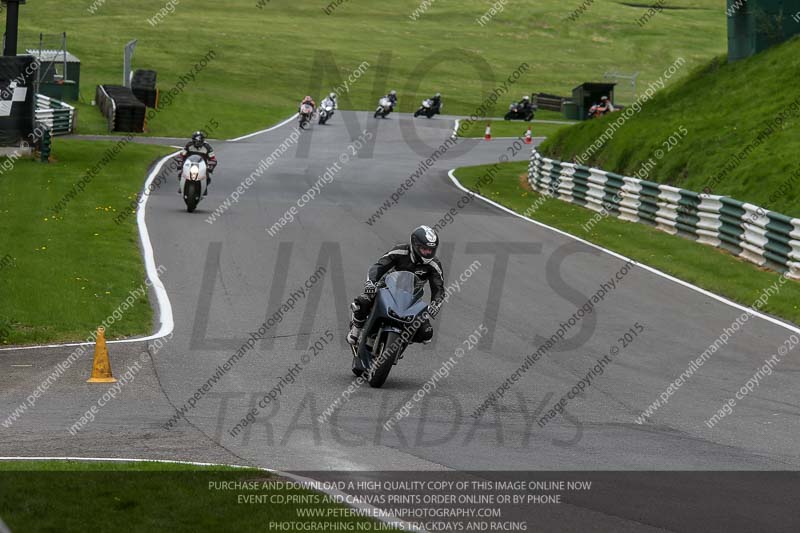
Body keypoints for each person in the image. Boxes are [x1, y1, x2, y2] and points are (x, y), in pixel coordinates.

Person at [347, 225, 445, 346]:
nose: (428, 253)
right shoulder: (400, 251)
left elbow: (439, 288)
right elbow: (378, 267)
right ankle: (356, 329)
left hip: (411, 300)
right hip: (385, 290)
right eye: (424, 249)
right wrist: (371, 283)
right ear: (414, 245)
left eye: (431, 250)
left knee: (426, 334)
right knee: (363, 301)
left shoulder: (434, 265)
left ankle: (399, 343)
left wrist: (435, 304)